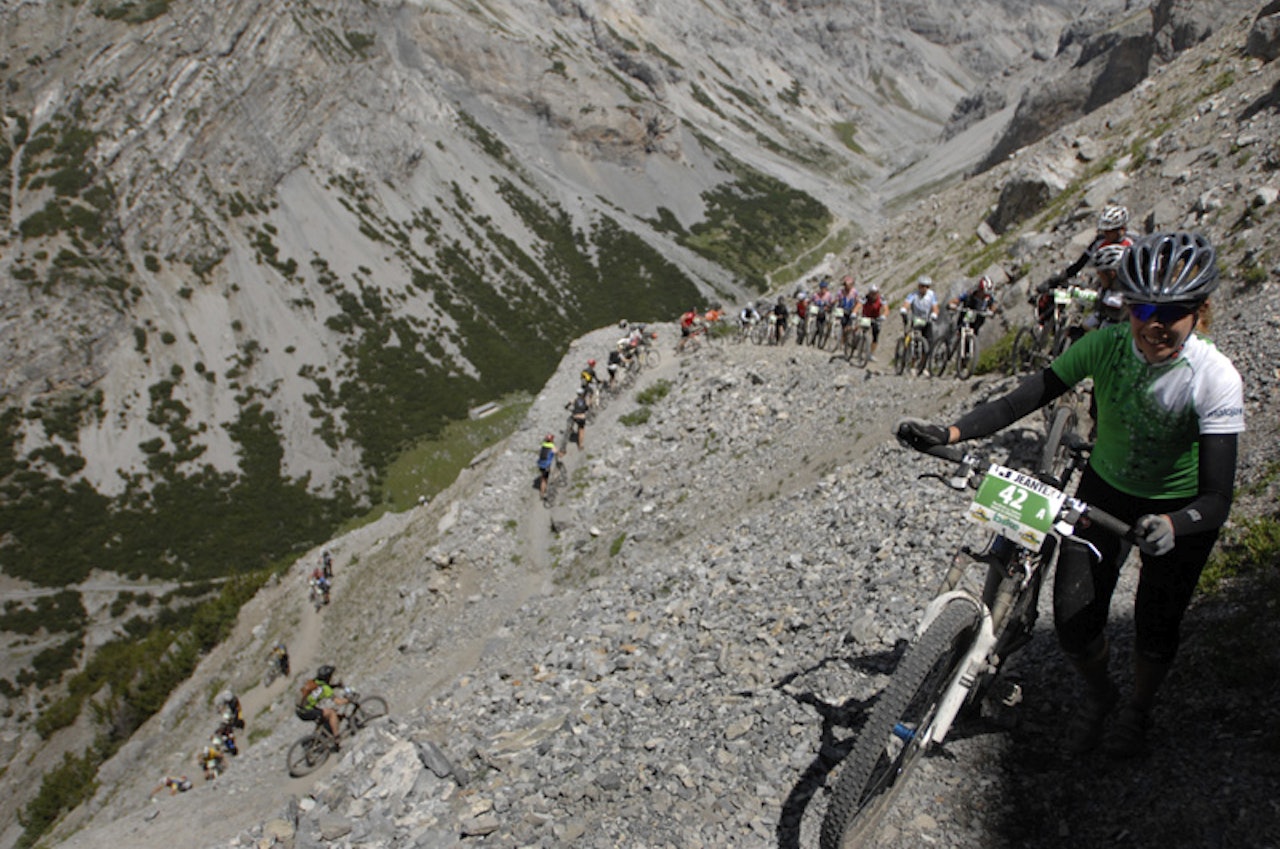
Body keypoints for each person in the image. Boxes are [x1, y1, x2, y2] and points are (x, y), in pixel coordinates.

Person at [897, 231, 1244, 759]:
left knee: (1156, 625)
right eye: (1143, 308)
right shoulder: (1106, 346)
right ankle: (1103, 696)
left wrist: (1175, 524)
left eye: (1173, 312)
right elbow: (1023, 399)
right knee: (1074, 623)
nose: (1155, 323)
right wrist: (950, 432)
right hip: (1105, 492)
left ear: (1199, 311)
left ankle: (1139, 709)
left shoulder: (1214, 377)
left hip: (1179, 508)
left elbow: (1218, 496)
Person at [1037, 204, 1134, 327]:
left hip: (1119, 292)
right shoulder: (1099, 242)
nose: (1106, 234)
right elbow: (1080, 264)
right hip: (1101, 284)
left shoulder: (1131, 245)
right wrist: (1059, 278)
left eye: (1109, 231)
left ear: (1121, 229)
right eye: (1104, 230)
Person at [296, 664, 347, 746]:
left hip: (300, 710)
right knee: (332, 713)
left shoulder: (315, 681)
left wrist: (336, 686)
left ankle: (321, 736)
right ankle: (337, 738)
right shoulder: (326, 688)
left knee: (326, 714)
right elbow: (338, 702)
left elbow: (322, 688)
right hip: (306, 711)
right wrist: (348, 700)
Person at [900, 276, 939, 344]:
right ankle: (907, 347)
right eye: (922, 286)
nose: (924, 288)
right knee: (913, 337)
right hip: (917, 319)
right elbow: (907, 303)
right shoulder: (913, 294)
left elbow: (935, 307)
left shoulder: (932, 294)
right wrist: (904, 309)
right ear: (919, 286)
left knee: (929, 341)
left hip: (927, 320)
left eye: (927, 286)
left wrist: (934, 313)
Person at [860, 283, 887, 360]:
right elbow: (859, 305)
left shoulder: (881, 298)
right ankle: (859, 344)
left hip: (876, 318)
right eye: (872, 293)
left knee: (875, 336)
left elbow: (886, 308)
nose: (873, 295)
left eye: (875, 293)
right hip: (866, 316)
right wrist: (855, 312)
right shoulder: (865, 297)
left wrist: (884, 315)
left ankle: (871, 354)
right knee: (863, 331)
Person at [536, 433, 558, 497]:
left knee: (543, 478)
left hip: (540, 464)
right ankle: (550, 488)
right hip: (546, 465)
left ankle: (542, 493)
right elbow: (557, 452)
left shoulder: (543, 445)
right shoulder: (552, 446)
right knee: (554, 474)